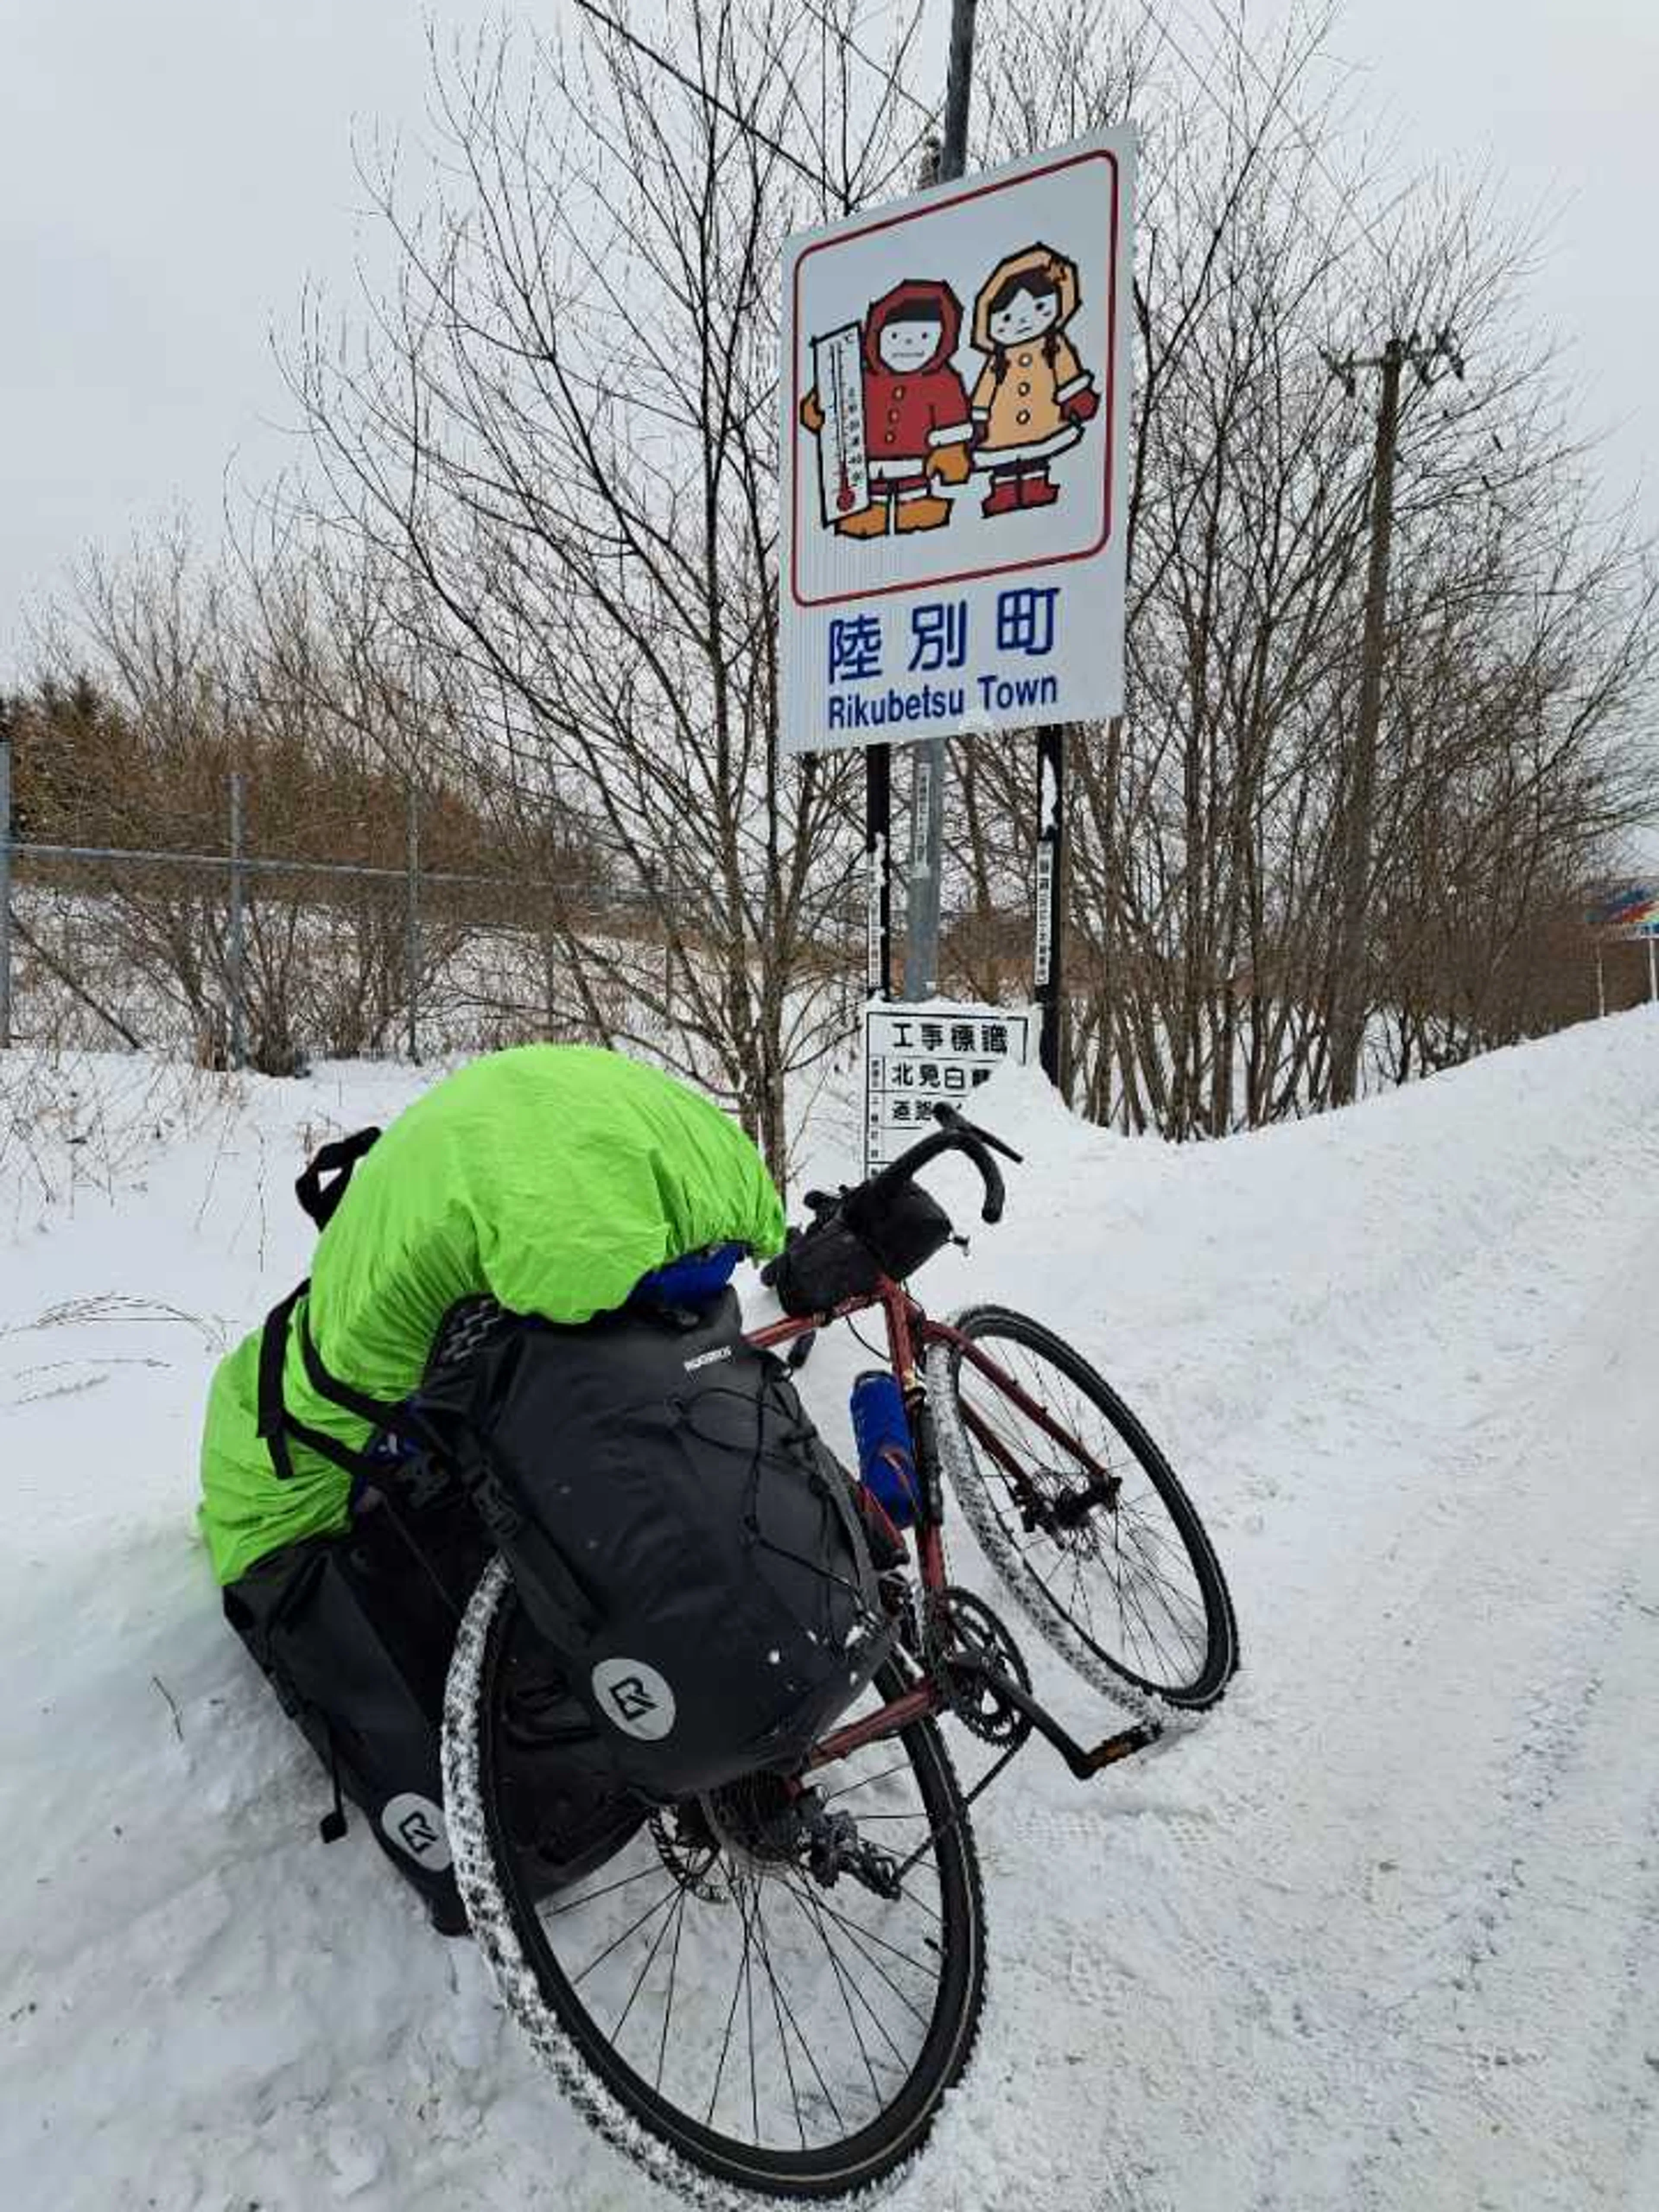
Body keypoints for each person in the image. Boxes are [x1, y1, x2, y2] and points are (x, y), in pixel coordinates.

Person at [200, 1045, 786, 1931]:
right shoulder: (520, 1156)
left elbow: (559, 1275)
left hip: (309, 1432)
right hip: (298, 1490)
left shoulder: (450, 1203)